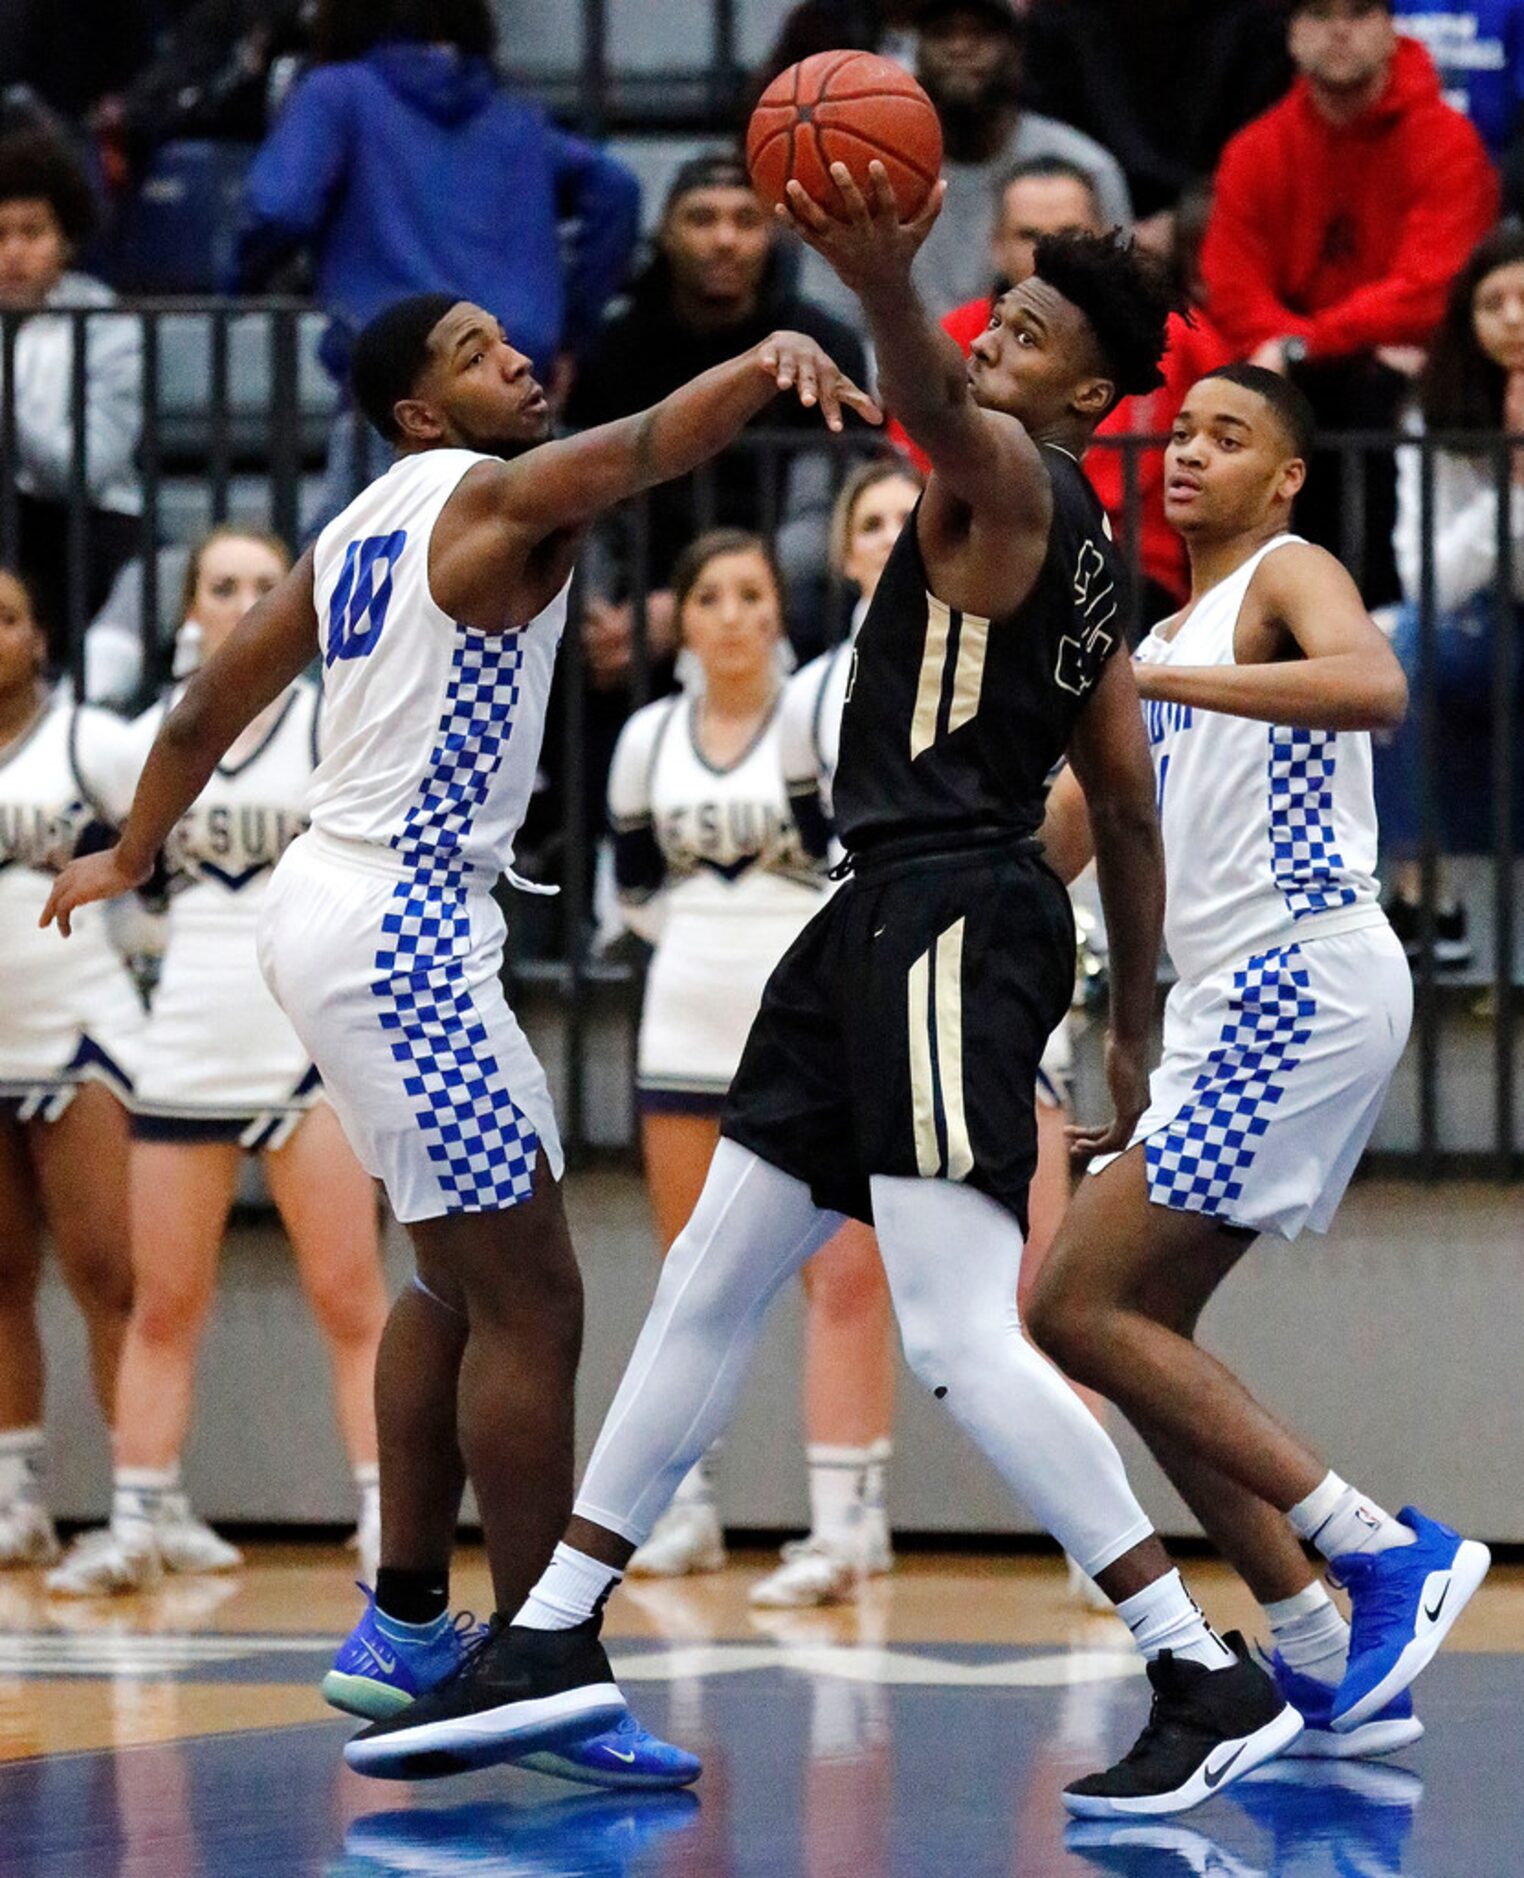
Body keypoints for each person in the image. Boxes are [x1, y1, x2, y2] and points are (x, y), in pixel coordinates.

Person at [336, 181, 1315, 1821]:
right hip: (870, 922)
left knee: (947, 1323)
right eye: (988, 314)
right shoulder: (1088, 566)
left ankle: (1187, 1659)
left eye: (1031, 330)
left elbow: (928, 406)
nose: (992, 334)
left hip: (940, 909)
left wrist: (867, 266)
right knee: (707, 1279)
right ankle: (555, 1634)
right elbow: (1125, 809)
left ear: (1086, 395)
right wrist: (1127, 1016)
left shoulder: (1006, 475)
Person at [44, 292, 877, 1783]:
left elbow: (211, 698)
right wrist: (760, 359)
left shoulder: (359, 522)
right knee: (537, 1300)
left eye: (511, 336)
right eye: (476, 353)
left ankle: (413, 1619)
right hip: (402, 931)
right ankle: (541, 1657)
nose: (516, 357)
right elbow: (641, 451)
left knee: (451, 1268)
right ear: (424, 414)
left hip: (337, 908)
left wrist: (132, 849)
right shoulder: (488, 492)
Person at [1028, 363, 1490, 1761]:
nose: (1188, 454)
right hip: (1228, 996)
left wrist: (1156, 674)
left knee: (1068, 1303)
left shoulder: (1289, 575)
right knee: (1135, 1331)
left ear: (1284, 474)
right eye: (1179, 433)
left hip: (1305, 966)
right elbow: (1058, 837)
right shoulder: (1159, 636)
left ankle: (1381, 1551)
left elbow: (1378, 683)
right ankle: (1321, 1643)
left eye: (1227, 436)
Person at [47, 527, 390, 1597]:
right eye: (221, 586)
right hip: (189, 1038)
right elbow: (129, 894)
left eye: (261, 584)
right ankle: (139, 1522)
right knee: (163, 1304)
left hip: (306, 1045)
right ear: (189, 612)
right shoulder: (162, 732)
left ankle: (389, 1521)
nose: (244, 601)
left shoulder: (337, 721)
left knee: (351, 1297)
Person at [561, 152, 869, 862]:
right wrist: (605, 614)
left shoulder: (824, 340)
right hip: (634, 607)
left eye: (745, 221)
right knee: (567, 660)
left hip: (784, 601)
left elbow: (826, 511)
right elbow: (582, 497)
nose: (724, 239)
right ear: (666, 233)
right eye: (702, 220)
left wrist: (704, 604)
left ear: (773, 238)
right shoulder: (614, 348)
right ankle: (586, 888)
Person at [232, 0, 641, 529]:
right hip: (518, 388)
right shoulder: (512, 114)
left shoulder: (338, 94)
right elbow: (617, 191)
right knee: (515, 578)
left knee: (353, 584)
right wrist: (568, 334)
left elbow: (278, 208)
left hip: (403, 390)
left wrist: (242, 280)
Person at [1200, 0, 1498, 607]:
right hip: (1295, 377)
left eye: (1359, 12)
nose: (1339, 30)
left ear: (1392, 30)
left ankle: (1387, 614)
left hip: (1406, 382)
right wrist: (1300, 348)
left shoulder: (1446, 140)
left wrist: (1304, 342)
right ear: (1291, 34)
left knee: (1381, 386)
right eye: (1319, 12)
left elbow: (1434, 287)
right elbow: (1232, 288)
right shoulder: (1256, 149)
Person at [0, 565, 139, 1568]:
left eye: (6, 617)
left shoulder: (90, 740)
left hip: (81, 1030)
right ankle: (17, 1498)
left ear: (40, 635)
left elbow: (163, 852)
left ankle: (144, 1496)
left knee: (107, 1274)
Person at [1376, 224, 1524, 967]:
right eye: (1492, 302)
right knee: (1396, 648)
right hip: (1478, 624)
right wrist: (1517, 484)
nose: (1512, 318)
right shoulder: (1433, 416)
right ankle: (1421, 897)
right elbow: (1427, 580)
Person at [0, 129, 142, 668]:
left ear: (65, 239)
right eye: (0, 234)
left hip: (87, 526)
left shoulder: (105, 323)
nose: (13, 252)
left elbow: (91, 468)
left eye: (32, 232)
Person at [1019, 0, 1292, 247]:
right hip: (1083, 219)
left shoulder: (1258, 22)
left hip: (1212, 220)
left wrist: (1186, 222)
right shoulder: (1058, 16)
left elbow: (1261, 145)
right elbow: (1047, 140)